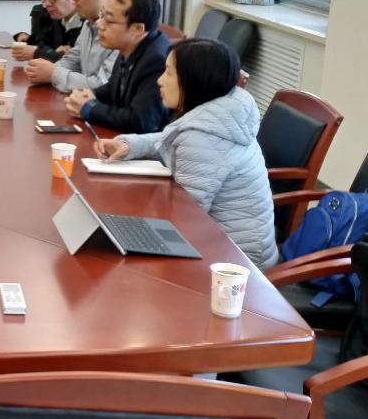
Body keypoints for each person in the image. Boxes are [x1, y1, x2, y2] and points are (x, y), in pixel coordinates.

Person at [95, 39, 278, 269]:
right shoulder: (224, 109)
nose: (160, 80)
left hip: (236, 265)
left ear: (194, 81)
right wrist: (130, 145)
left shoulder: (202, 139)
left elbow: (185, 219)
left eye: (169, 73)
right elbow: (175, 137)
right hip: (234, 243)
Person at [65, 0, 171, 134]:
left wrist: (89, 109)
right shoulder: (130, 44)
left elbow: (141, 121)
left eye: (108, 20)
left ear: (137, 29)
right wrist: (91, 95)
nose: (99, 24)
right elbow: (114, 87)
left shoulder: (158, 60)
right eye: (101, 15)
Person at [26, 0, 120, 91]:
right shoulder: (89, 23)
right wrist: (45, 71)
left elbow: (103, 86)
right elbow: (72, 60)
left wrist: (53, 74)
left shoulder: (123, 30)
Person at [12, 0, 82, 63]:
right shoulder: (52, 14)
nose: (46, 4)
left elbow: (77, 63)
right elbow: (39, 44)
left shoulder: (91, 22)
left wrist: (43, 53)